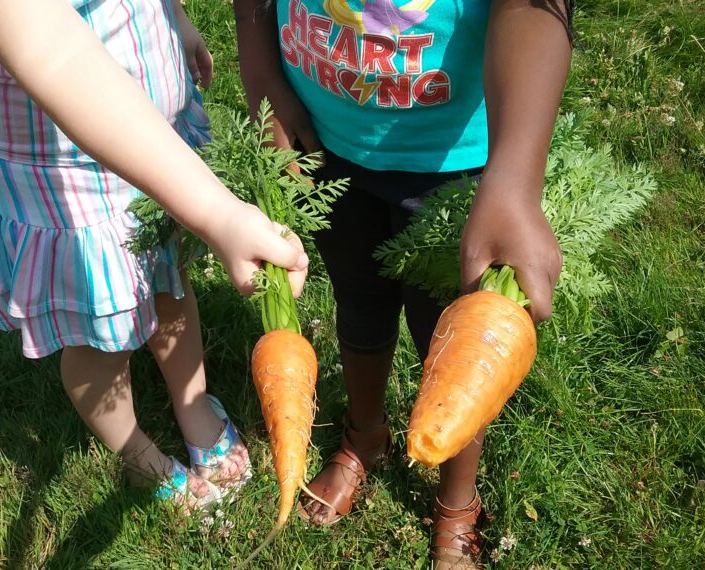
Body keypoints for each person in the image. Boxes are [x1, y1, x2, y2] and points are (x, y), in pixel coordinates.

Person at [0, 0, 308, 515]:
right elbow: (48, 46)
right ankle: (139, 454)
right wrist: (216, 213)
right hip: (57, 183)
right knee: (98, 338)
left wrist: (175, 16)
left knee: (170, 281)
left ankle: (192, 404)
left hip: (157, 140)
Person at [233, 0, 573, 566]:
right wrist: (264, 75)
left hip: (449, 159)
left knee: (458, 352)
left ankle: (456, 500)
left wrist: (513, 180)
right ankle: (366, 434)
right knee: (357, 297)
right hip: (321, 137)